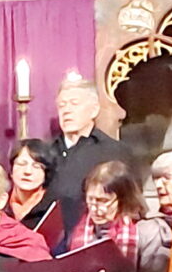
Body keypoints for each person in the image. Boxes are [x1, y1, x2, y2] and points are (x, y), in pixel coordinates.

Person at [49, 77, 120, 208]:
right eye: (62, 105)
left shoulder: (115, 152)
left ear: (94, 110)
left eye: (74, 103)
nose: (66, 110)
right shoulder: (47, 151)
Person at [4, 140, 64, 245]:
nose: (27, 171)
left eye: (36, 166)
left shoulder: (56, 208)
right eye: (21, 164)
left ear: (46, 173)